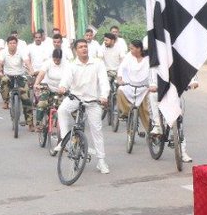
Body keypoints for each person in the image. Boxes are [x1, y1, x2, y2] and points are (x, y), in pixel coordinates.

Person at [54, 39, 111, 174]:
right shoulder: (72, 65)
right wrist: (62, 87)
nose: (84, 49)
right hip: (75, 98)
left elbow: (104, 82)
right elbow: (66, 80)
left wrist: (104, 96)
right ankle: (64, 141)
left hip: (93, 101)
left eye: (85, 46)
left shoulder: (97, 63)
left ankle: (101, 161)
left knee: (96, 130)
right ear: (75, 50)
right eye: (80, 47)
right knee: (62, 110)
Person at [115, 39, 150, 134]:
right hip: (130, 85)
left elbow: (154, 71)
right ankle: (126, 113)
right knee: (120, 90)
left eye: (132, 48)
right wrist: (119, 79)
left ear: (139, 49)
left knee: (146, 110)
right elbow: (121, 68)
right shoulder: (129, 56)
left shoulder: (148, 58)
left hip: (144, 87)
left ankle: (151, 133)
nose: (130, 50)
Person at [0, 34, 33, 128]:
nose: (12, 44)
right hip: (8, 77)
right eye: (10, 43)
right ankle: (5, 100)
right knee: (4, 80)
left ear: (17, 44)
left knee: (26, 99)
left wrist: (31, 70)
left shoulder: (21, 52)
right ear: (7, 44)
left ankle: (30, 123)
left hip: (20, 77)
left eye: (14, 43)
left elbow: (27, 62)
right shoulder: (3, 52)